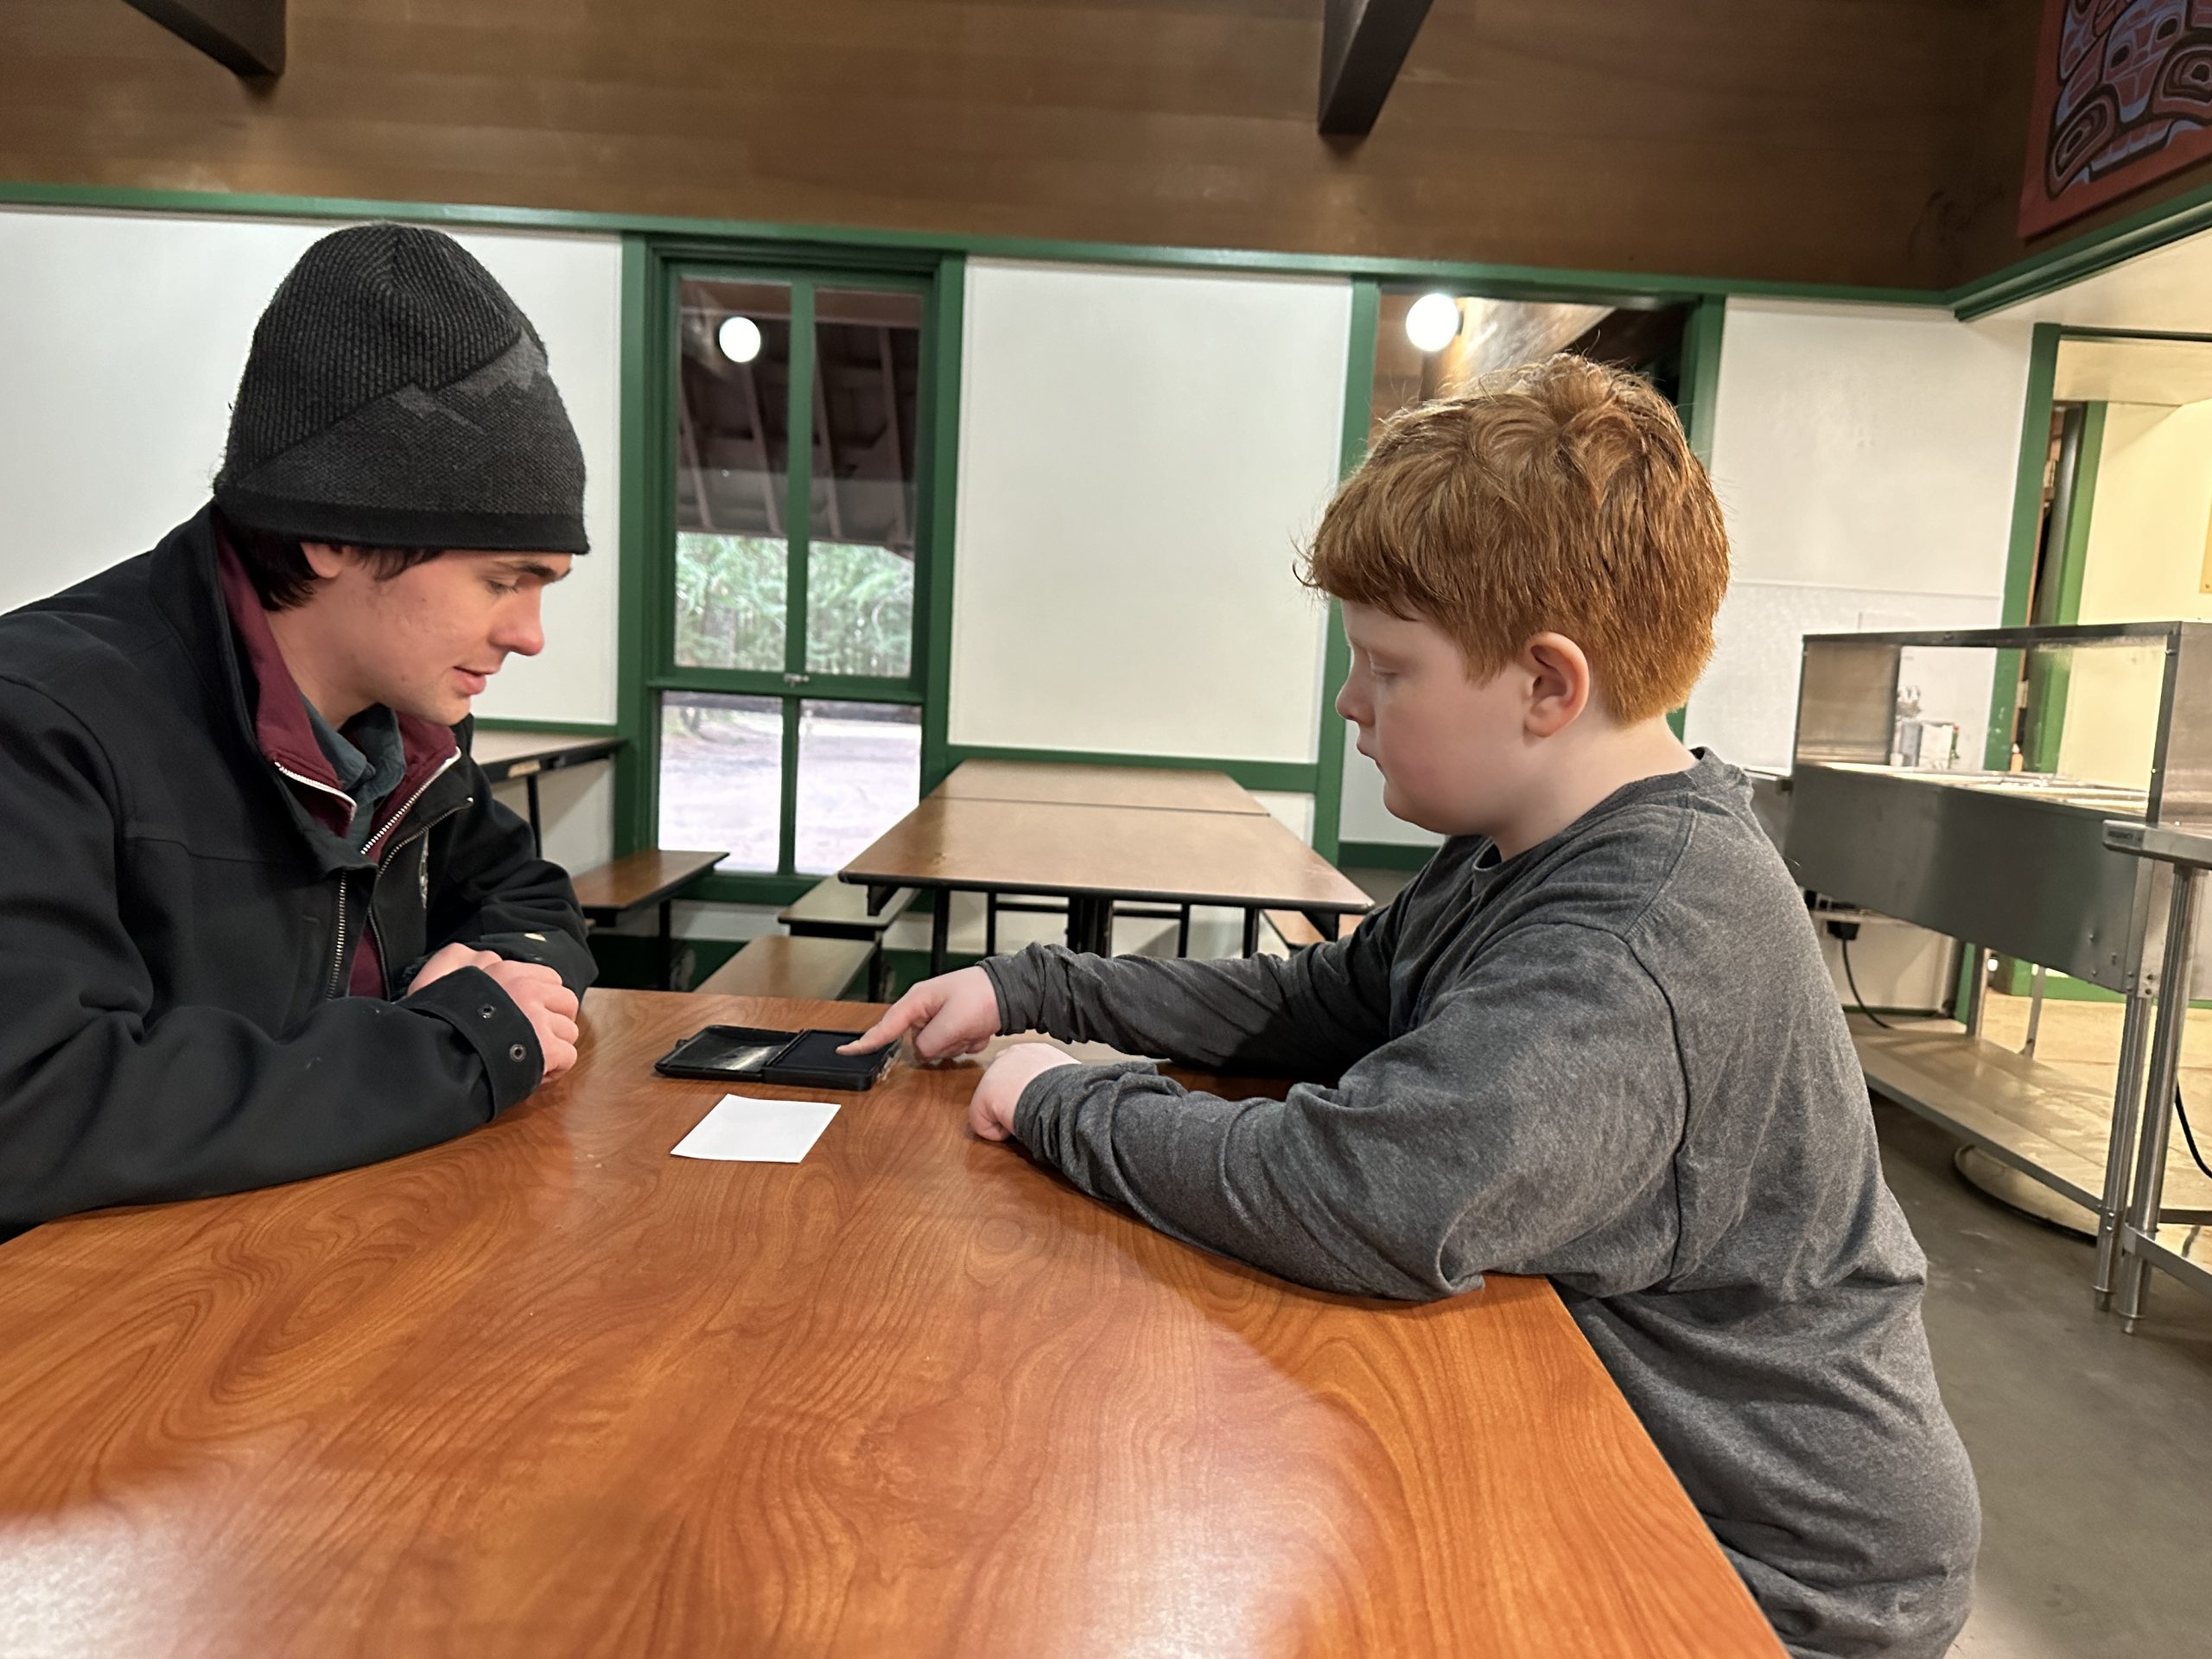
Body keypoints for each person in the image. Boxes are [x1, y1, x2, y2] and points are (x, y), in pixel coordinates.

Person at [846, 357, 1980, 1658]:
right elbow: (1324, 999)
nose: (1351, 704)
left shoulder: (1640, 932)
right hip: (1617, 1455)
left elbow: (1369, 1194)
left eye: (1386, 667)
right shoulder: (1517, 845)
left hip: (1774, 1569)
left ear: (1547, 686)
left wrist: (1063, 1097)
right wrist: (1034, 985)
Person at [0, 224, 594, 1238]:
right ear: (331, 532)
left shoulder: (408, 732)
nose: (530, 635)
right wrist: (453, 1047)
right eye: (502, 580)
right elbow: (34, 1108)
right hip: (109, 1313)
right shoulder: (43, 718)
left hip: (331, 1247)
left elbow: (527, 901)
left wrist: (499, 981)